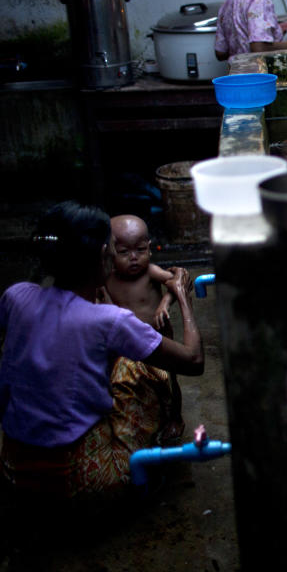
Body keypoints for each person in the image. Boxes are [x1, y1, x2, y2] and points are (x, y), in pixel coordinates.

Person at [0, 202, 204, 501]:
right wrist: (183, 297)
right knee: (143, 366)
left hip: (13, 467)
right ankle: (134, 480)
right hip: (80, 481)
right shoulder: (110, 321)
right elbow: (194, 360)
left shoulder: (15, 296)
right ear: (103, 258)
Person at [101, 214, 186, 444]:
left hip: (158, 339)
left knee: (169, 382)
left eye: (140, 250)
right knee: (126, 380)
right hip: (127, 343)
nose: (134, 258)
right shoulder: (107, 278)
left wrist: (164, 303)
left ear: (149, 248)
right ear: (109, 252)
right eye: (124, 252)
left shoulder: (150, 272)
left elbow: (176, 285)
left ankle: (175, 418)